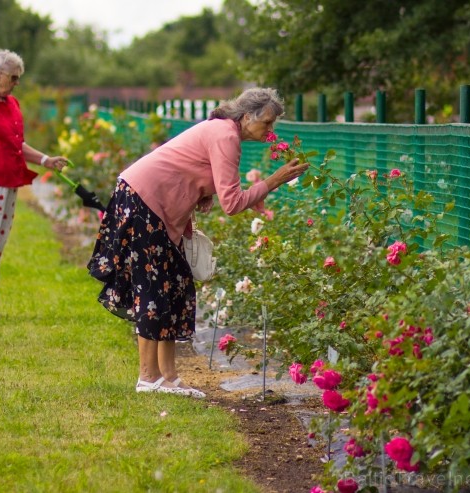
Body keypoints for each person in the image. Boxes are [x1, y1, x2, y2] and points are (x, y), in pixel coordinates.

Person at [87, 88, 309, 397]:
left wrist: (203, 191)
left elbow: (197, 170)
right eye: (267, 123)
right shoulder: (226, 135)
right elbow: (232, 204)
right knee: (153, 289)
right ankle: (147, 378)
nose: (270, 131)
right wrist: (273, 181)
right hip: (144, 203)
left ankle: (169, 377)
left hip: (154, 206)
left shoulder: (224, 131)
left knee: (173, 286)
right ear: (247, 117)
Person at [0, 49, 68, 318]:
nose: (17, 82)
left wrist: (45, 159)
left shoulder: (11, 104)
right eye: (14, 77)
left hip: (8, 180)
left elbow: (17, 144)